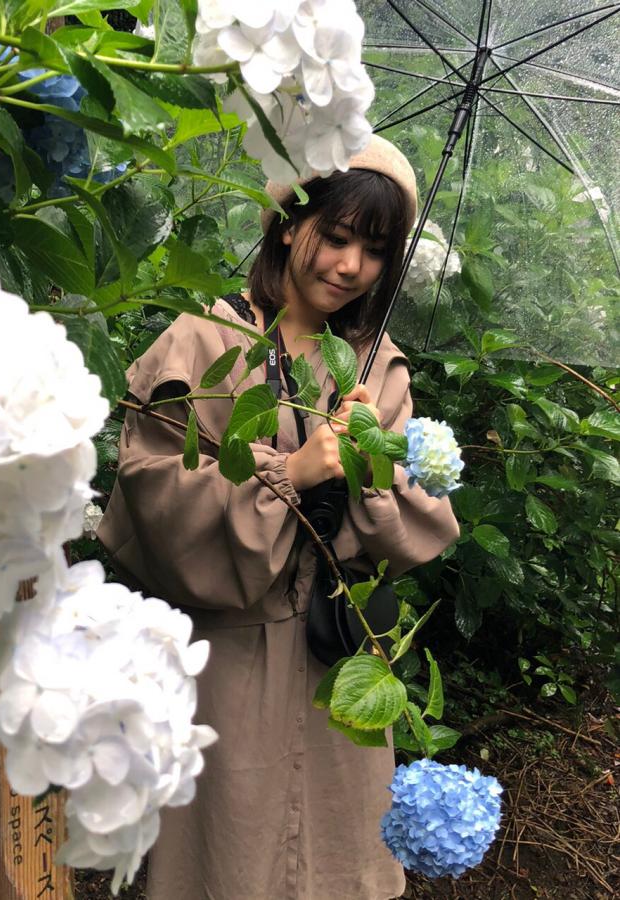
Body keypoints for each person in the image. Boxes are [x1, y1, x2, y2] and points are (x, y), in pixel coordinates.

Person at [97, 135, 460, 900]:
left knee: (338, 862)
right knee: (226, 862)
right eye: (337, 236)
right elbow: (151, 490)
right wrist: (289, 474)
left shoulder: (377, 366)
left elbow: (414, 527)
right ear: (290, 225)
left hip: (339, 668)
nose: (351, 266)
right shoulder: (205, 339)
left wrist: (369, 464)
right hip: (226, 660)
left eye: (374, 250)